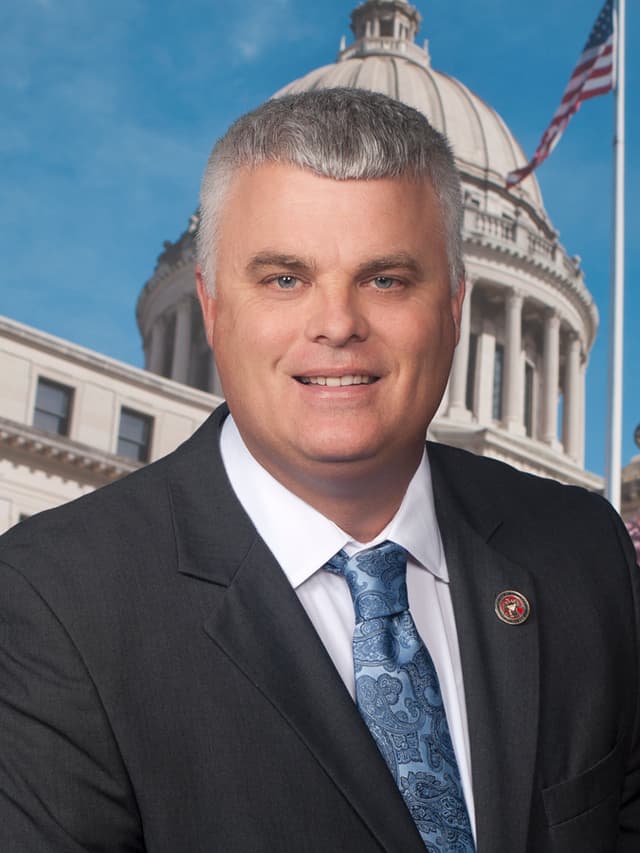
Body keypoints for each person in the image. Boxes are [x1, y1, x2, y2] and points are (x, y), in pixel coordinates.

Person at [0, 88, 638, 853]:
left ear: (457, 307)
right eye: (284, 278)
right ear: (210, 306)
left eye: (387, 279)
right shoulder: (53, 600)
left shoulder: (582, 552)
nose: (337, 324)